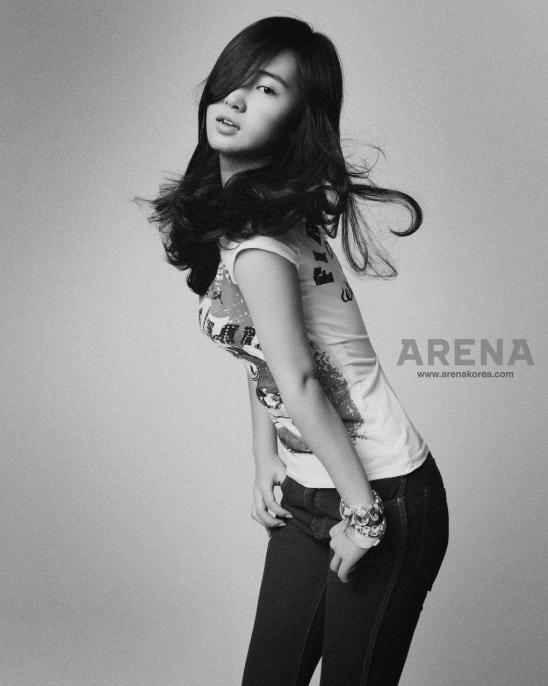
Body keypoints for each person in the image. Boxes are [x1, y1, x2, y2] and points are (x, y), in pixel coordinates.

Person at [144, 16, 449, 686]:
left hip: (383, 490)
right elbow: (265, 358)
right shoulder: (261, 225)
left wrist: (363, 516)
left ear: (295, 123)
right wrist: (266, 460)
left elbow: (303, 380)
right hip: (311, 493)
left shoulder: (260, 244)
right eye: (233, 82)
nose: (234, 99)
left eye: (266, 90)